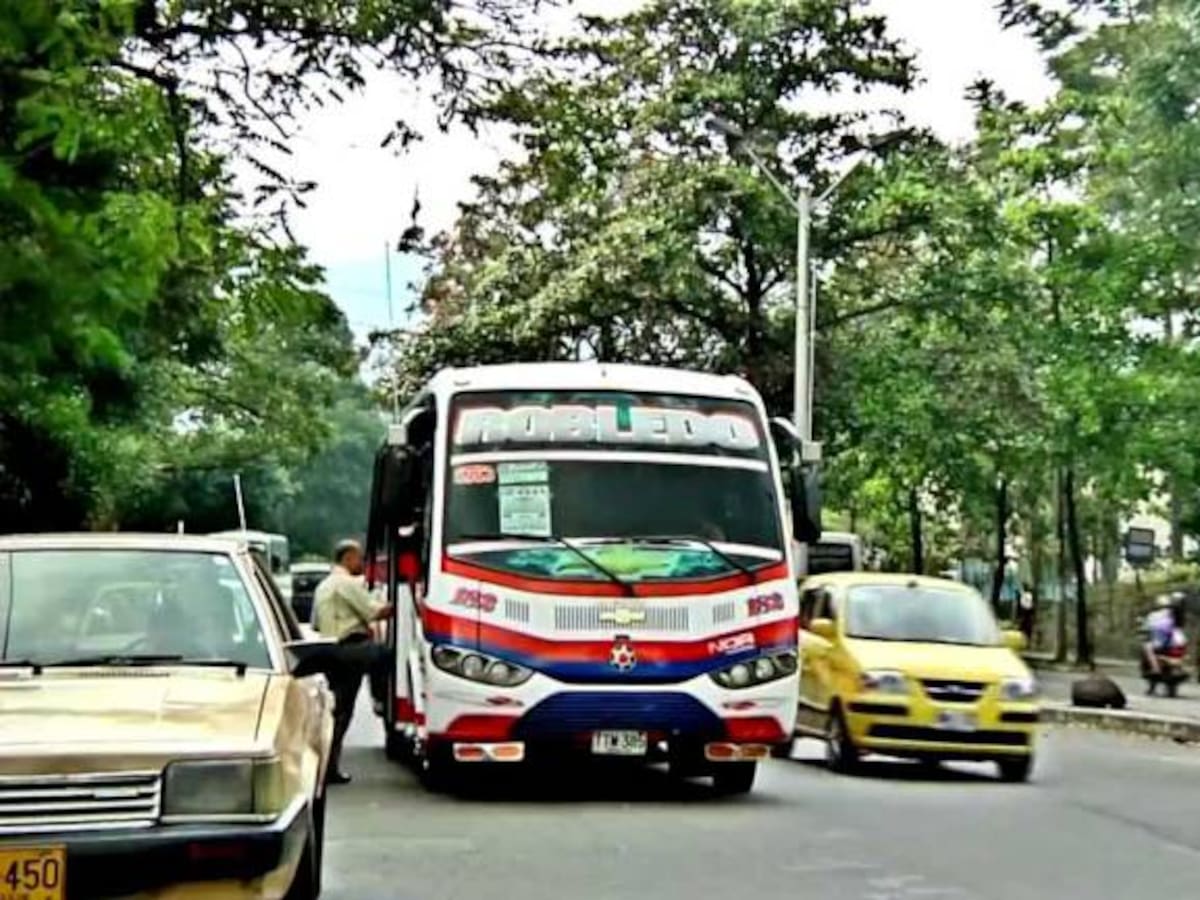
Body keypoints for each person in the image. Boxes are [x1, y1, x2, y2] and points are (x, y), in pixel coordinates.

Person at [313, 539, 393, 785]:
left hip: (329, 649)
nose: (363, 563)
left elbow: (315, 623)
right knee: (387, 659)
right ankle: (385, 699)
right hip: (350, 648)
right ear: (347, 558)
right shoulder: (346, 583)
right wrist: (402, 602)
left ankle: (328, 764)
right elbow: (374, 611)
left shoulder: (324, 585)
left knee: (337, 709)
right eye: (359, 558)